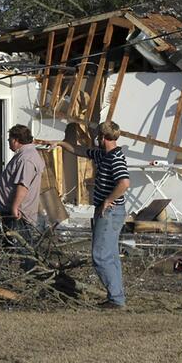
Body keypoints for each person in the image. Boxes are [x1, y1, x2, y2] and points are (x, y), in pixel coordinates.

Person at [53, 121, 131, 309]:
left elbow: (124, 183)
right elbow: (80, 150)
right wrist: (60, 143)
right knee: (111, 255)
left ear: (103, 137)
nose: (96, 140)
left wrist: (108, 200)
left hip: (110, 212)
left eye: (98, 136)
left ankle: (116, 299)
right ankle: (116, 296)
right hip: (107, 211)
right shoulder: (103, 154)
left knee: (101, 256)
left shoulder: (115, 158)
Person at [0, 124, 45, 250]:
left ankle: (24, 262)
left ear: (16, 140)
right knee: (4, 246)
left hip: (18, 213)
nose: (8, 141)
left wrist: (15, 207)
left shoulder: (26, 158)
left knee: (20, 247)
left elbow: (23, 185)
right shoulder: (24, 155)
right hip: (11, 211)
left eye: (9, 139)